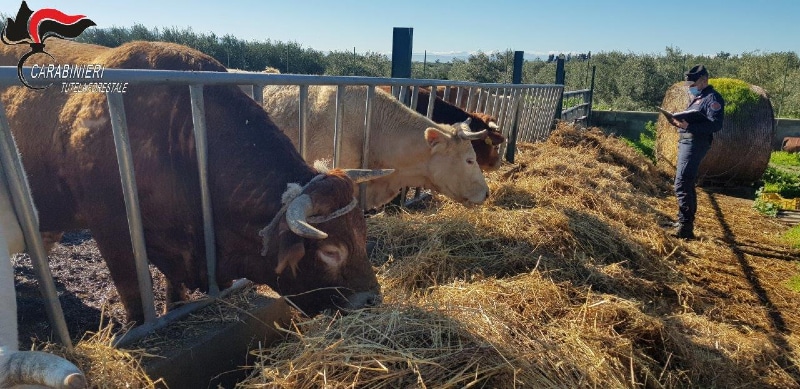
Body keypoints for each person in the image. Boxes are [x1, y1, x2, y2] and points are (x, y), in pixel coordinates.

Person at [667, 64, 725, 239]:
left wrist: (688, 125)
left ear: (704, 79)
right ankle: (684, 220)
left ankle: (685, 228)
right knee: (686, 182)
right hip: (687, 142)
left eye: (693, 83)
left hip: (695, 143)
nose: (691, 87)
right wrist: (678, 120)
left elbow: (715, 124)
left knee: (682, 183)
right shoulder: (700, 97)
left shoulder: (713, 98)